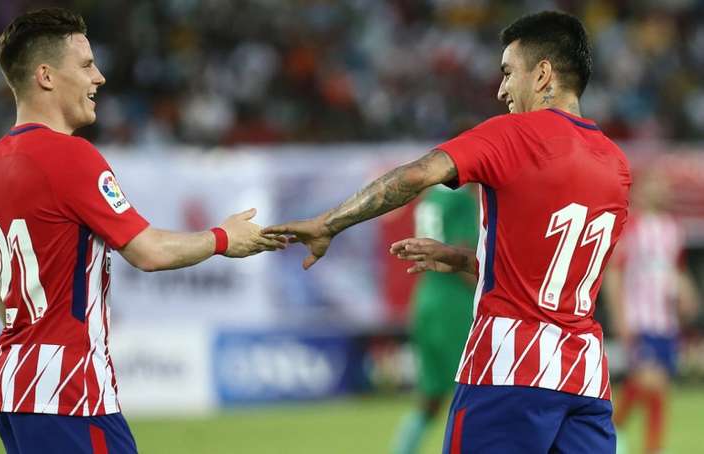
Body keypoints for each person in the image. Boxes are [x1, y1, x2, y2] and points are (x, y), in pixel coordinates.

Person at [264, 10, 631, 453]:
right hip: (584, 378)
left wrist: (328, 224)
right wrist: (463, 259)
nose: (501, 90)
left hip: (508, 370)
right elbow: (557, 274)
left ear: (542, 75)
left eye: (508, 73)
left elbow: (417, 175)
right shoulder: (616, 163)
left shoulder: (515, 135)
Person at [0, 8, 285, 454]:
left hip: (12, 385)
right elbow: (148, 251)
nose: (98, 78)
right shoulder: (71, 157)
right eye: (85, 65)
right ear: (45, 76)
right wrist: (223, 238)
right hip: (68, 392)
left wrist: (29, 332)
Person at [603, 169, 699, 454]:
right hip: (638, 317)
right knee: (651, 382)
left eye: (665, 185)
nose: (662, 189)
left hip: (665, 321)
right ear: (643, 189)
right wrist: (620, 315)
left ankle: (614, 434)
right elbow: (615, 272)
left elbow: (675, 272)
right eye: (656, 183)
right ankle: (639, 444)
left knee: (655, 387)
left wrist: (687, 294)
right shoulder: (630, 225)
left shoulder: (672, 229)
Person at [391, 186, 478, 454]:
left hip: (426, 300)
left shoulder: (432, 197)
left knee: (431, 398)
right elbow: (461, 254)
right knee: (476, 395)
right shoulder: (462, 201)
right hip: (455, 305)